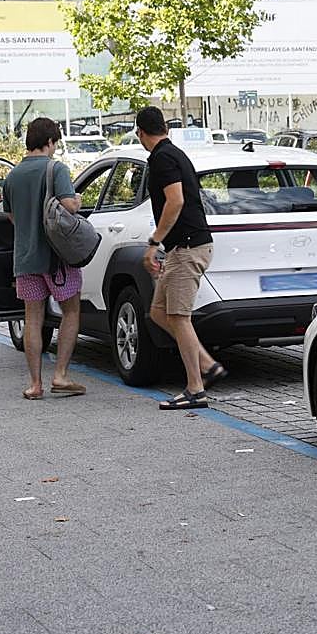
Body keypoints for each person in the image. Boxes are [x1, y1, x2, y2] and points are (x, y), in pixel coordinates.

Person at [136, 106, 225, 410]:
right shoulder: (174, 153)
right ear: (166, 128)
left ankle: (195, 389)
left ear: (140, 133)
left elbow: (175, 201)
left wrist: (153, 243)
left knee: (178, 317)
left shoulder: (163, 159)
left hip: (188, 247)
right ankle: (207, 365)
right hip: (182, 248)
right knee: (159, 312)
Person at [2, 117, 86, 400]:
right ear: (49, 141)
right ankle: (60, 375)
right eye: (55, 143)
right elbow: (68, 205)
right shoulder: (55, 168)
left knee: (33, 319)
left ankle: (35, 384)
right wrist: (78, 201)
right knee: (71, 311)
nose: (55, 148)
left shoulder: (12, 176)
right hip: (56, 258)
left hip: (25, 259)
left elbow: (12, 217)